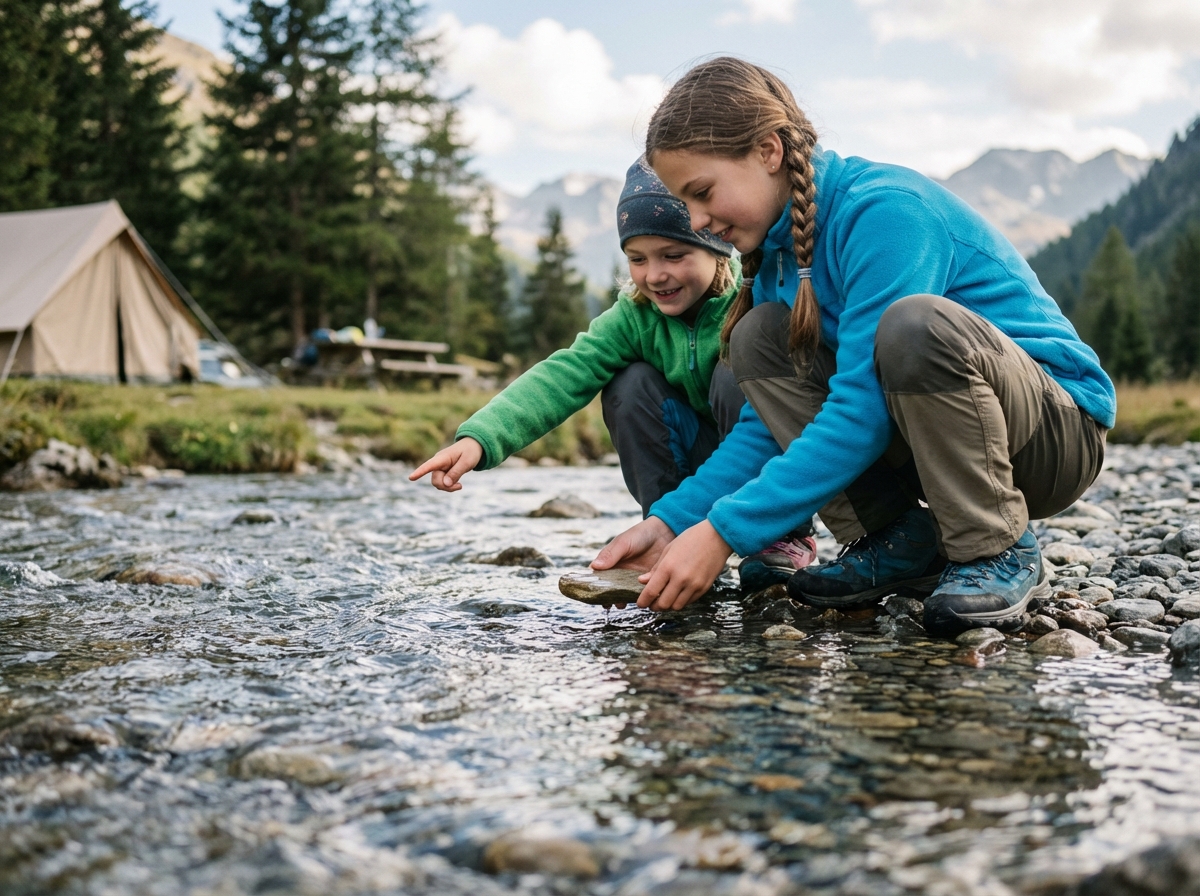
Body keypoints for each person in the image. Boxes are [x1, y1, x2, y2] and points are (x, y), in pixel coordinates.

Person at [591, 58, 1114, 637]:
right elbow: (767, 430)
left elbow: (859, 410)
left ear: (768, 152)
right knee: (759, 335)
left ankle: (996, 546)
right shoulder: (777, 257)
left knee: (913, 325)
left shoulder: (885, 212)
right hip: (933, 444)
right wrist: (673, 522)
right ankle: (898, 540)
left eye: (702, 192)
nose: (695, 220)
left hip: (1050, 439)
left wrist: (723, 534)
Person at [409, 157, 818, 589]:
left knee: (733, 373)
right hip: (699, 465)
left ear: (716, 248)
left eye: (674, 255)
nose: (655, 275)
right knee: (629, 383)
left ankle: (781, 536)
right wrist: (480, 439)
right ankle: (666, 535)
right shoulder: (634, 316)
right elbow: (564, 374)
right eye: (637, 259)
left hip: (764, 464)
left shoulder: (753, 299)